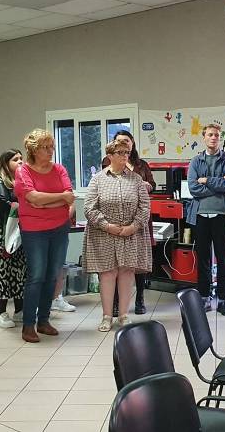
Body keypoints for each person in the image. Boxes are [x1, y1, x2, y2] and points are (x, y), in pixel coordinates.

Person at [85, 140, 153, 331]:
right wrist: (106, 226)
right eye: (120, 152)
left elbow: (145, 207)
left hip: (130, 233)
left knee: (126, 272)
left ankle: (123, 315)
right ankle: (107, 317)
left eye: (127, 152)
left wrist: (133, 226)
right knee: (107, 273)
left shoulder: (136, 179)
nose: (125, 156)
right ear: (110, 156)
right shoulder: (97, 179)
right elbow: (89, 208)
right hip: (104, 233)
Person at [14, 128, 74, 343]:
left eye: (52, 147)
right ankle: (28, 325)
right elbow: (33, 197)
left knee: (52, 275)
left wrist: (46, 203)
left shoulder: (59, 169)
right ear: (33, 149)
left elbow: (69, 198)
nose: (51, 151)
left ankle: (44, 320)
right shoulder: (23, 171)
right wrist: (59, 199)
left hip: (59, 228)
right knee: (37, 275)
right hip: (34, 230)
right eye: (45, 147)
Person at [100, 129, 155, 315]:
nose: (124, 145)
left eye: (127, 141)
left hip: (138, 218)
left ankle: (140, 298)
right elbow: (107, 183)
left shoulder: (141, 164)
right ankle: (115, 303)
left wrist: (146, 185)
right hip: (114, 221)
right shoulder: (107, 162)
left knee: (137, 260)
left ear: (132, 143)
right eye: (120, 141)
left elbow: (152, 185)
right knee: (116, 263)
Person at [187, 123, 225, 316]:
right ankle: (205, 298)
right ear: (204, 138)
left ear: (220, 138)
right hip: (200, 215)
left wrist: (207, 180)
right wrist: (218, 185)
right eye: (210, 134)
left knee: (223, 259)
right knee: (203, 259)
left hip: (222, 215)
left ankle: (223, 300)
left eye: (216, 135)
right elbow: (193, 188)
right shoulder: (195, 161)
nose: (213, 137)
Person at [0, 149, 27, 328]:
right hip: (2, 232)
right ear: (6, 163)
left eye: (21, 158)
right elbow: (4, 204)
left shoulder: (23, 181)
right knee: (1, 271)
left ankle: (20, 310)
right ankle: (1, 313)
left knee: (20, 271)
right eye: (15, 159)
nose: (20, 161)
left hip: (20, 231)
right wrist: (20, 205)